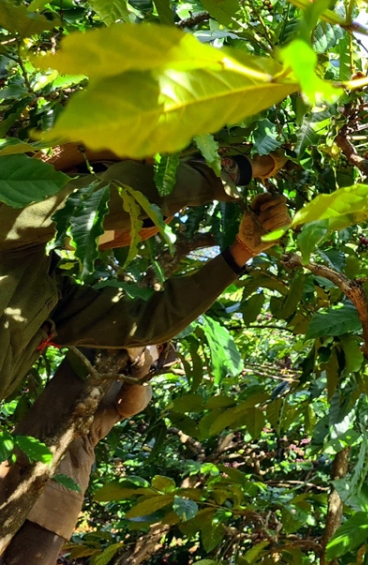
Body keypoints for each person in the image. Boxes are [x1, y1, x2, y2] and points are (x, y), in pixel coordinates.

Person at [0, 150, 286, 402]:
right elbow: (124, 195)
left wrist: (242, 250)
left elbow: (147, 321)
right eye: (98, 173)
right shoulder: (10, 214)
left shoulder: (45, 287)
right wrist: (241, 168)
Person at [0, 346, 163, 565]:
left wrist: (140, 366)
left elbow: (129, 405)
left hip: (65, 482)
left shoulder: (140, 387)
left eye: (160, 347)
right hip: (17, 460)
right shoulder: (90, 348)